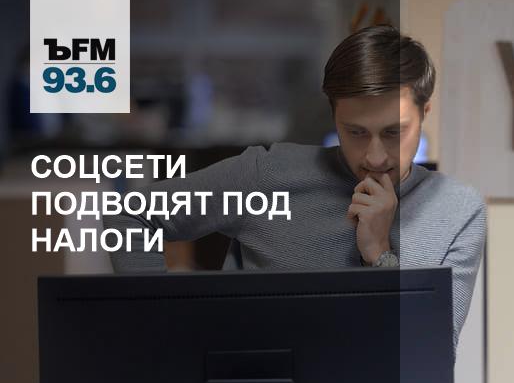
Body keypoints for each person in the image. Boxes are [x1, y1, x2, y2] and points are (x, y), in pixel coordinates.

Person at [103, 25, 487, 352]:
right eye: (355, 132)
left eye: (393, 133)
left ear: (424, 113)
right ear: (334, 116)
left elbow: (431, 355)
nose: (374, 157)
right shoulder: (269, 174)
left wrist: (380, 254)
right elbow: (130, 213)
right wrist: (163, 332)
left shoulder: (457, 210)